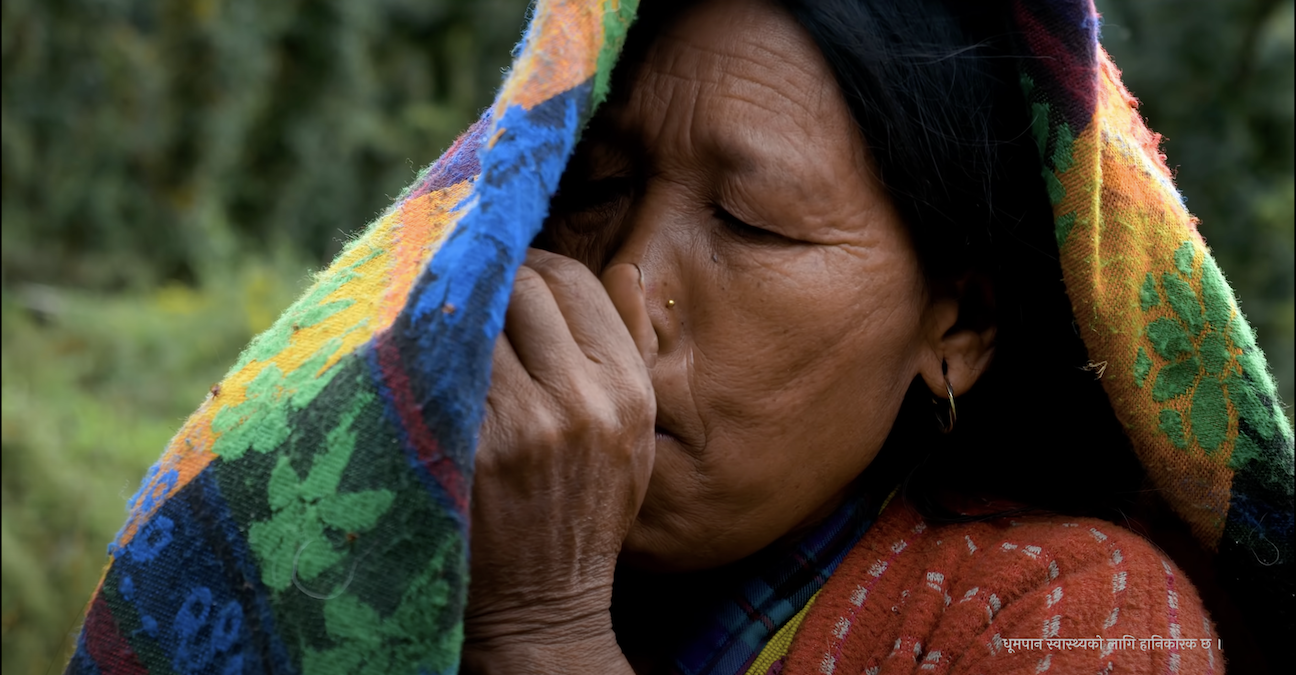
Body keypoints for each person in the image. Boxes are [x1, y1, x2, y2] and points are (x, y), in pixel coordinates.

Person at [66, 1, 1292, 674]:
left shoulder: (1070, 617)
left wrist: (546, 632)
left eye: (751, 225)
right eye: (593, 185)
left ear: (958, 326)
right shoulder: (385, 537)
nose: (630, 280)